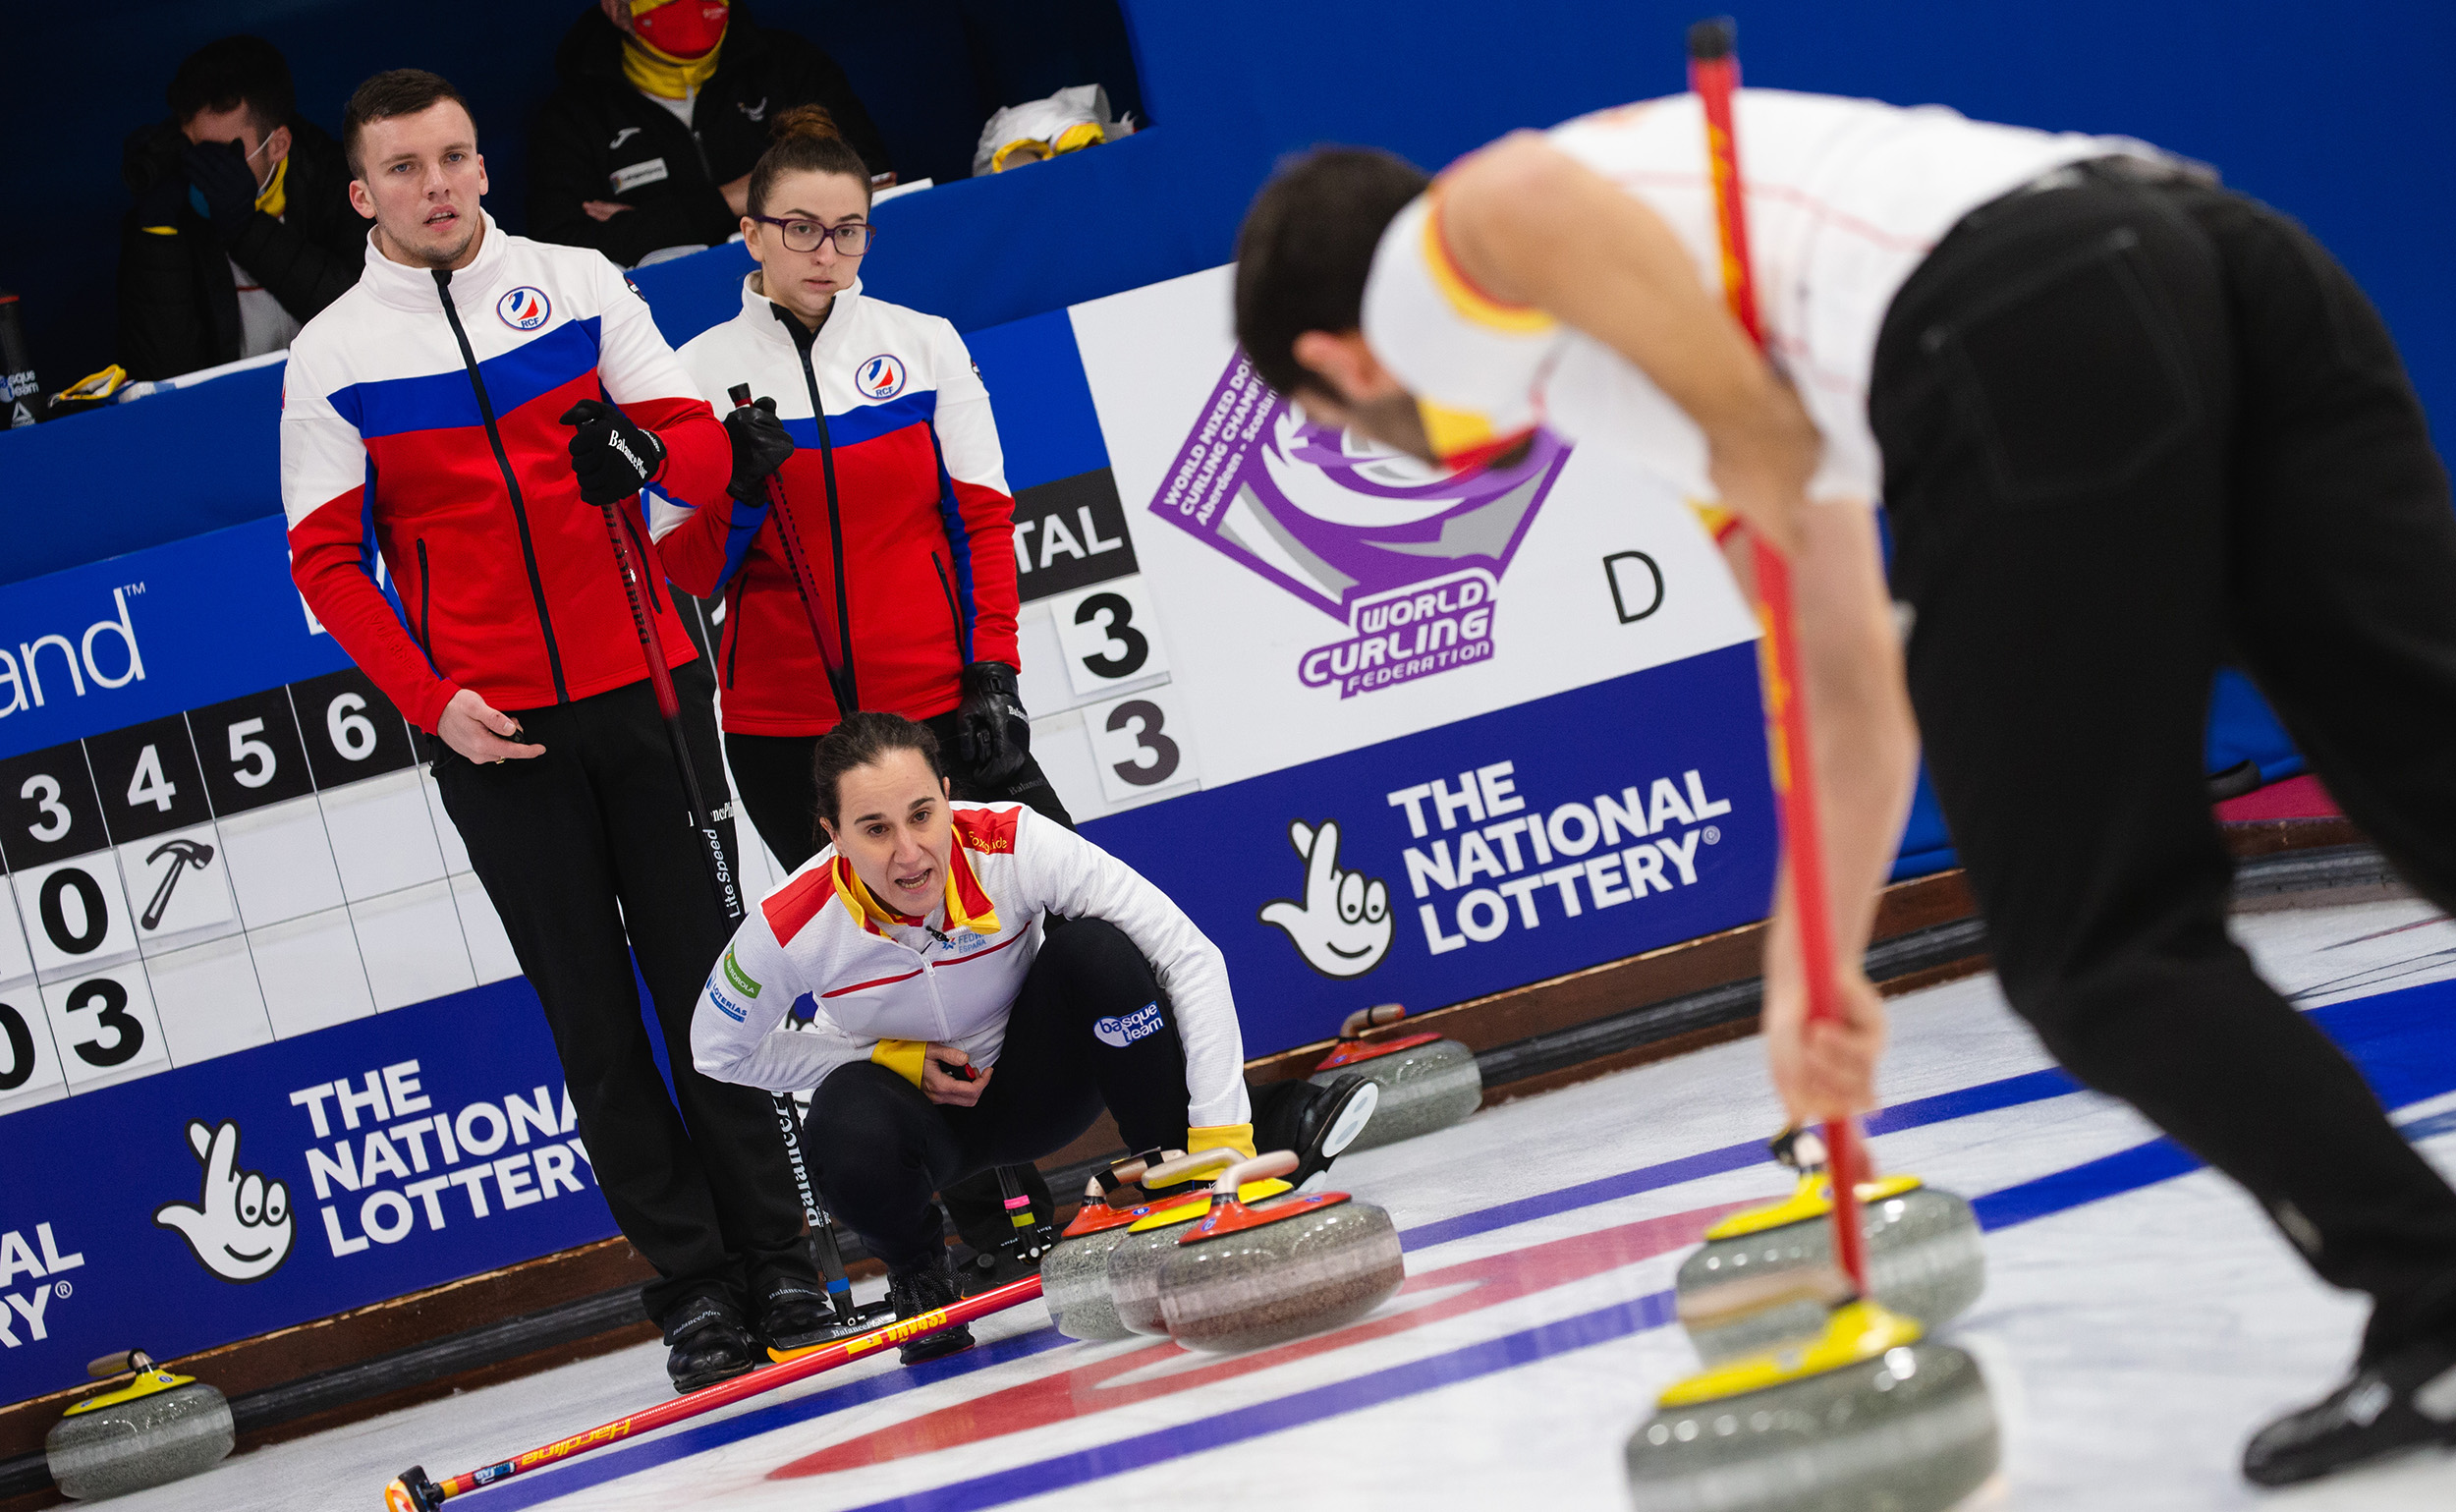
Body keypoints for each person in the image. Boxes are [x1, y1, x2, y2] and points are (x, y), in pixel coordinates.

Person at [1231, 90, 2456, 1486]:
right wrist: (1814, 969)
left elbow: (1515, 193)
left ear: (1334, 355)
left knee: (2101, 949)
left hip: (2021, 322)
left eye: (1337, 421)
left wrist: (1759, 442)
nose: (1382, 454)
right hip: (2223, 255)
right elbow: (1843, 681)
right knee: (2427, 762)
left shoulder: (1445, 273)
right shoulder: (1641, 367)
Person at [280, 68, 827, 1396]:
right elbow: (326, 562)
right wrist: (433, 699)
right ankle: (694, 1288)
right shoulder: (334, 352)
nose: (438, 184)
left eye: (456, 155)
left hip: (645, 693)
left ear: (481, 162)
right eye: (405, 168)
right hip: (497, 736)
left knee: (717, 991)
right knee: (591, 1016)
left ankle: (787, 1257)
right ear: (363, 195)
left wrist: (640, 461)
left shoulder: (577, 281)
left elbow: (700, 452)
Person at [651, 104, 1070, 1274]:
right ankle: (979, 1217)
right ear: (750, 232)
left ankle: (1061, 1165)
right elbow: (683, 572)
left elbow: (981, 520)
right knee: (880, 979)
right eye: (799, 228)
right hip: (788, 730)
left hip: (937, 704)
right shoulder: (695, 377)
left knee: (1031, 935)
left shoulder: (923, 342)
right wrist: (735, 489)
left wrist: (992, 668)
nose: (825, 253)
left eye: (849, 231)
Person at [692, 712, 1377, 1362]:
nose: (908, 854)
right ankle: (922, 1275)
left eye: (923, 815)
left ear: (948, 797)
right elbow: (716, 1049)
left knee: (1097, 952)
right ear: (831, 835)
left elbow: (1190, 954)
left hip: (1041, 1082)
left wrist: (1224, 1137)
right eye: (874, 829)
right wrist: (882, 1057)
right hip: (918, 1125)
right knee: (844, 1116)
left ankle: (1186, 1184)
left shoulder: (1013, 839)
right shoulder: (791, 921)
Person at [529, 0, 892, 268]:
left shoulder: (789, 66)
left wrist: (650, 222)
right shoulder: (574, 115)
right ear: (616, 8)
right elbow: (565, 256)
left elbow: (872, 186)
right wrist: (733, 198)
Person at [117, 35, 363, 380]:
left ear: (277, 145)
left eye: (219, 155)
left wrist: (247, 230)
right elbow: (167, 376)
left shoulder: (345, 185)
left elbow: (367, 319)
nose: (200, 169)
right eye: (191, 148)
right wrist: (158, 234)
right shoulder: (171, 206)